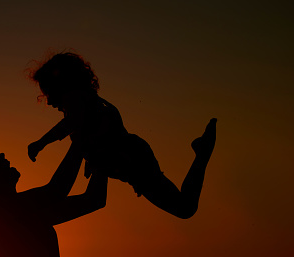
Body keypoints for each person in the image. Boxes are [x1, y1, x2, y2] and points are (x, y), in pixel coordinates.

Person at [28, 52, 216, 219]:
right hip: (133, 157)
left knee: (184, 208)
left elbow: (72, 124)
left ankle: (202, 154)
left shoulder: (73, 98)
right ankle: (202, 153)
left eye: (48, 93)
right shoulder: (90, 102)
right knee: (184, 207)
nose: (50, 102)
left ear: (61, 84)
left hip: (131, 159)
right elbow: (93, 133)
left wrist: (41, 143)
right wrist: (92, 160)